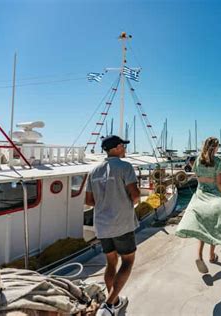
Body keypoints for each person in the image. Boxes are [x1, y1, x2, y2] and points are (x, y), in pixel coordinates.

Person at [85, 135, 140, 316]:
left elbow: (89, 201)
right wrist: (128, 202)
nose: (124, 149)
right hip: (121, 224)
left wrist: (106, 203)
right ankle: (108, 306)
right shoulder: (125, 167)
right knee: (128, 261)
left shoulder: (93, 171)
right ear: (116, 148)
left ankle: (115, 301)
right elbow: (135, 195)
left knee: (111, 263)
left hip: (101, 225)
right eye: (123, 146)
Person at [176, 137, 221, 274]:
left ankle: (199, 255)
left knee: (202, 228)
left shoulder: (198, 160)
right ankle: (211, 255)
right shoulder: (217, 161)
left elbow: (198, 180)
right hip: (213, 197)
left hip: (200, 195)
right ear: (214, 147)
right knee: (215, 226)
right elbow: (219, 183)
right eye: (217, 146)